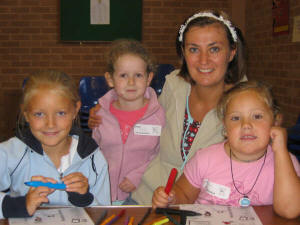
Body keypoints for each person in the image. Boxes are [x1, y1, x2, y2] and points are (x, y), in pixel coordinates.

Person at [88, 10, 247, 204]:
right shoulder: (174, 86)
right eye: (194, 49)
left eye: (214, 49)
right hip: (148, 196)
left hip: (205, 206)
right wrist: (106, 108)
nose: (203, 60)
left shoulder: (246, 105)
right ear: (183, 53)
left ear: (231, 52)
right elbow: (142, 110)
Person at [152, 81, 300, 219]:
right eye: (236, 118)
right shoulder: (205, 158)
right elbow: (183, 194)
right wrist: (170, 197)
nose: (246, 125)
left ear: (275, 121)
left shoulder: (285, 162)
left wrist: (280, 150)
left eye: (257, 116)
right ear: (225, 127)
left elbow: (290, 210)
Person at [0, 70, 111, 219]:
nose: (50, 124)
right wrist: (20, 205)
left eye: (61, 113)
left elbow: (104, 213)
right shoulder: (9, 153)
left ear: (75, 110)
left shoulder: (93, 158)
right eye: (39, 114)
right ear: (26, 114)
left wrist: (84, 198)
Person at [92, 39, 165, 204]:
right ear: (110, 79)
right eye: (123, 75)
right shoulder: (100, 115)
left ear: (148, 78)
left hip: (142, 194)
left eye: (138, 75)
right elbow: (93, 151)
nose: (131, 82)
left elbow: (162, 154)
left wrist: (138, 175)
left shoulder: (158, 115)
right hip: (104, 194)